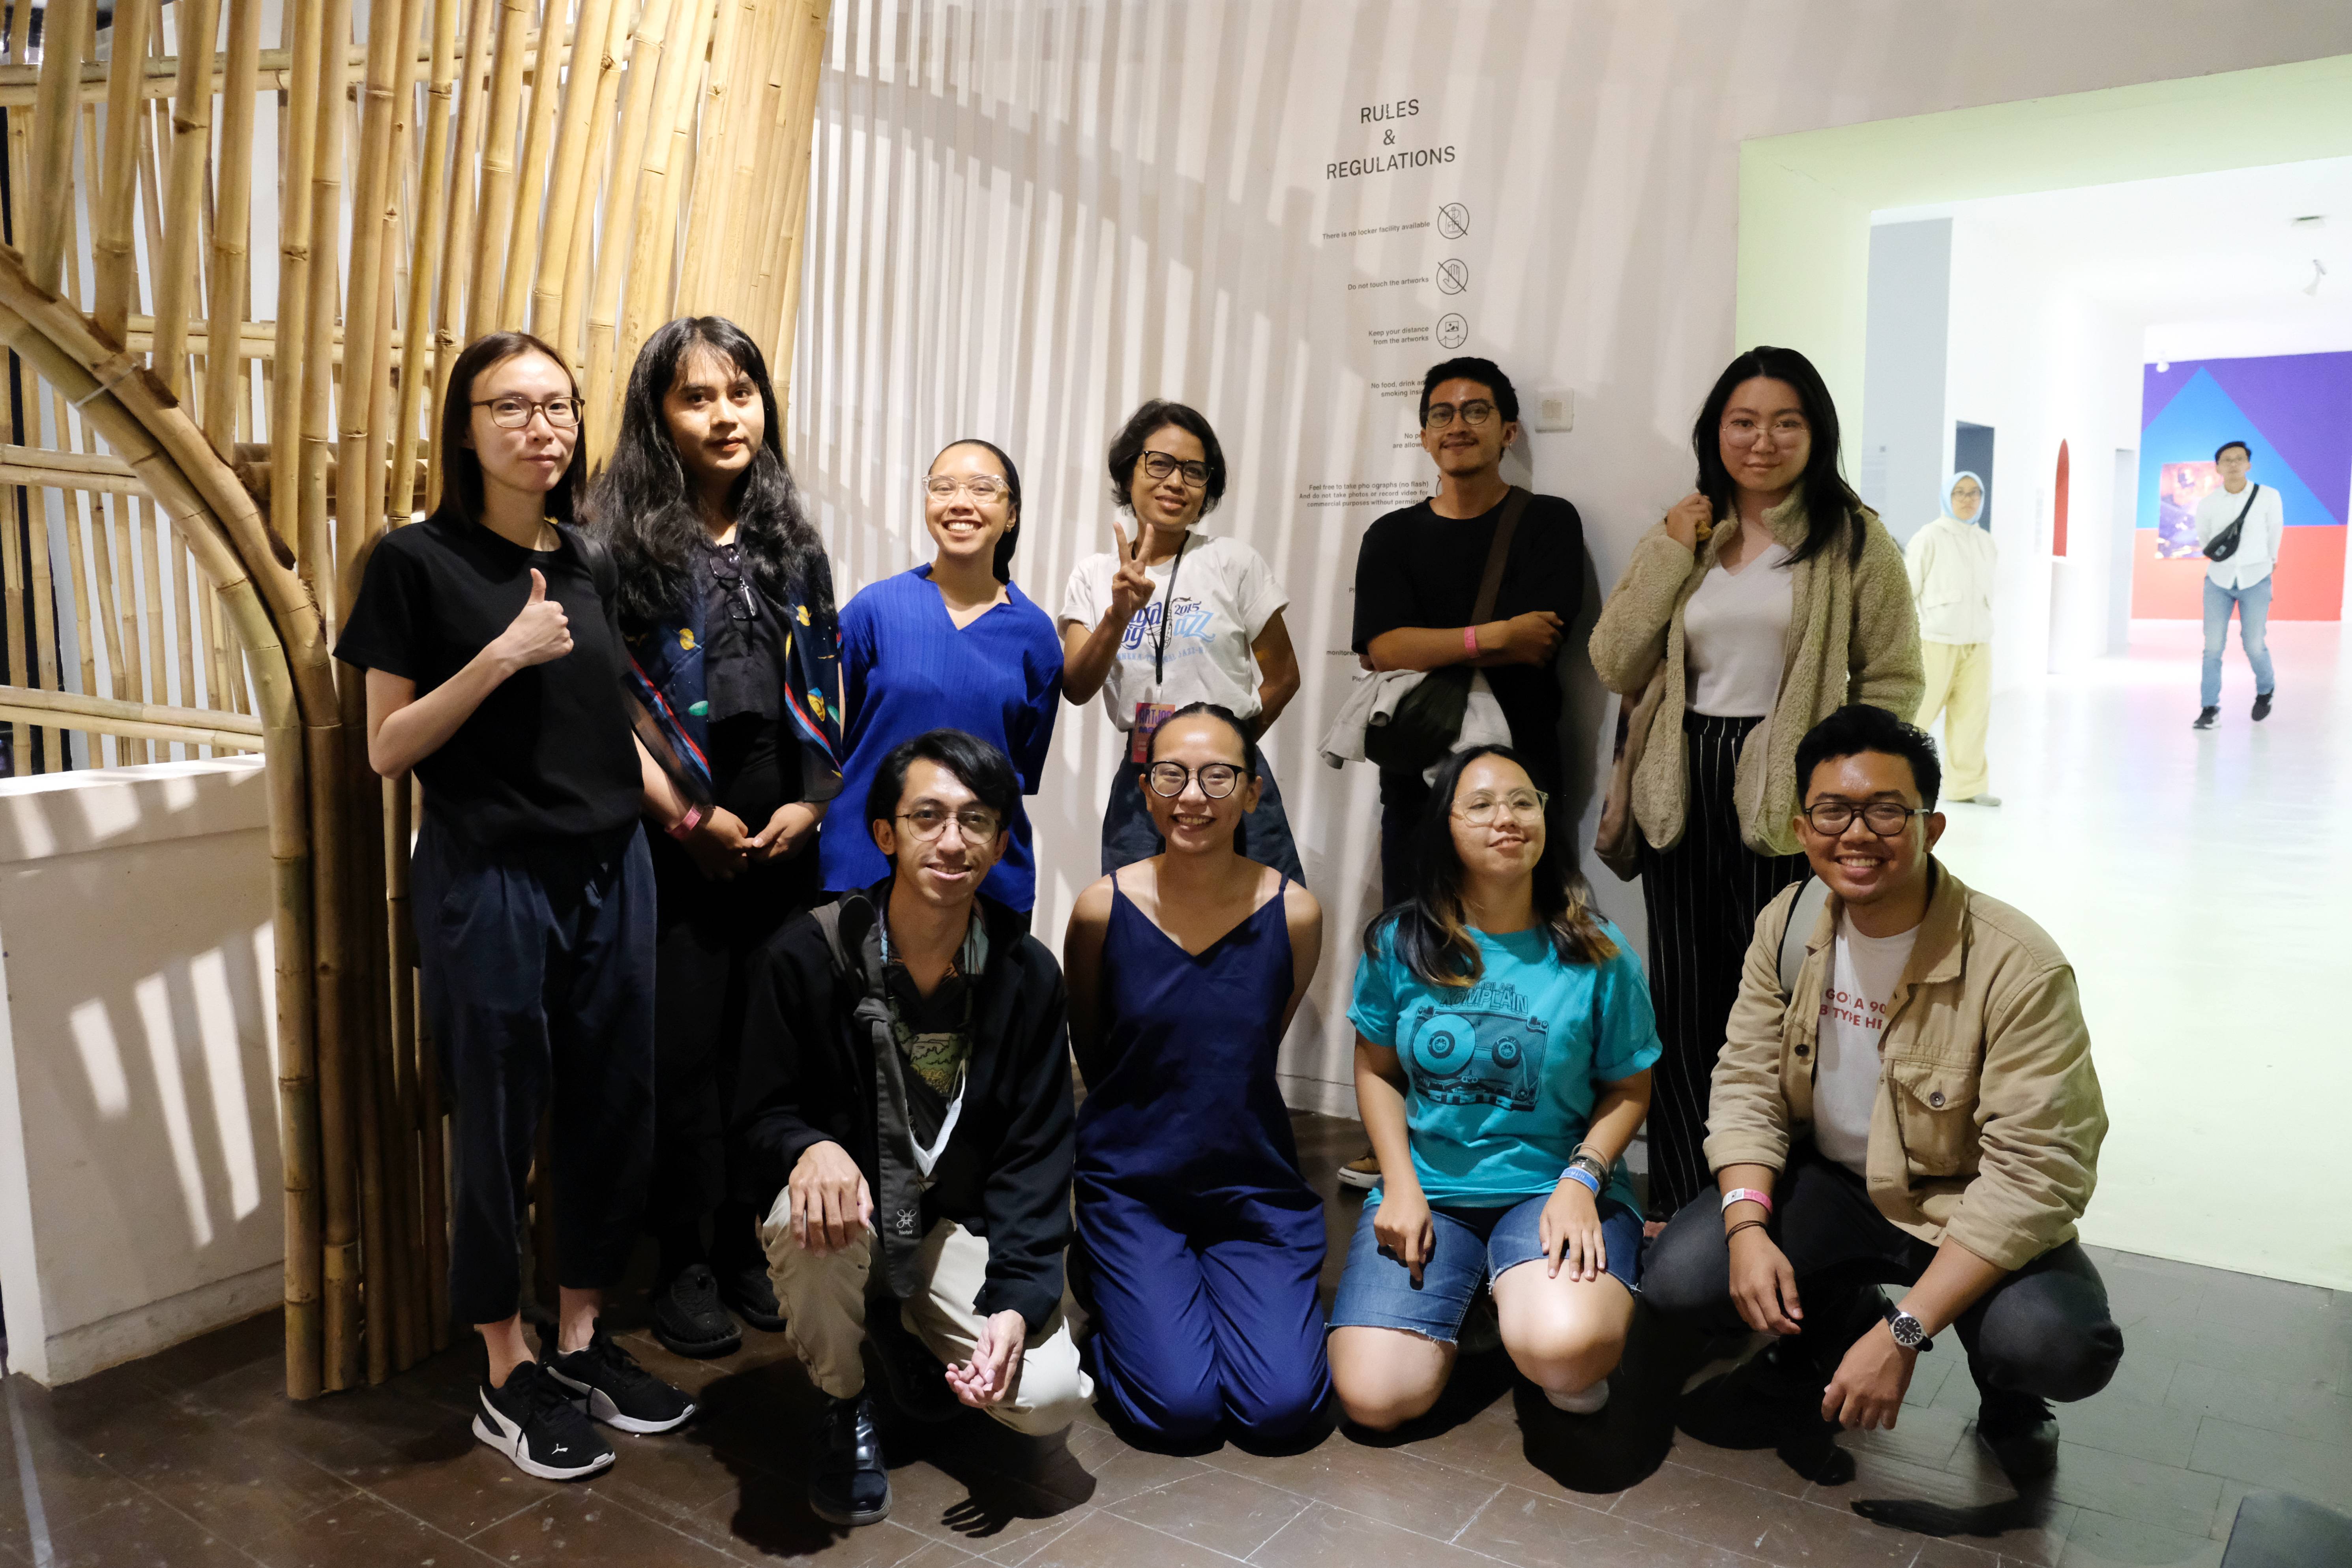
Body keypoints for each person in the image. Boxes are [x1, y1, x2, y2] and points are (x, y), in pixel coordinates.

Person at [338, 331, 693, 1482]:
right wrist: (501, 653)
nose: (542, 427)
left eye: (559, 406)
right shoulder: (413, 561)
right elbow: (388, 746)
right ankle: (505, 1364)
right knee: (495, 1113)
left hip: (612, 867)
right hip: (491, 874)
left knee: (612, 1103)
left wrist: (675, 804)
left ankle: (581, 1341)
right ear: (465, 424)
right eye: (512, 406)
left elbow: (601, 714)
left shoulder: (585, 554)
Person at [1644, 705, 2121, 1489]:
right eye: (1833, 810)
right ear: (1803, 828)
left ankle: (2009, 1396)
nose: (1857, 833)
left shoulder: (2017, 965)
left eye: (1886, 811)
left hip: (1965, 1203)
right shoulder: (1787, 924)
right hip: (1836, 1188)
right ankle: (1835, 1319)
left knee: (2052, 1345)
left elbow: (2038, 1172)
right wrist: (1747, 1227)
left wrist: (1906, 1332)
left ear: (1932, 827)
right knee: (1682, 1275)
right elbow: (1746, 1084)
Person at [1589, 345, 1922, 1223]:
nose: (1762, 441)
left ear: (1816, 433)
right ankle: (1678, 1199)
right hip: (1683, 777)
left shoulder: (1853, 540)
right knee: (1682, 994)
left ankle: (1772, 1202)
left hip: (1794, 793)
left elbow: (1893, 678)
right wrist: (1671, 552)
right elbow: (1612, 659)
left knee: (1780, 1002)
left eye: (1785, 422)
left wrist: (1842, 790)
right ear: (1716, 432)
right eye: (1743, 422)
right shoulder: (1684, 533)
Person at [737, 729, 1091, 1528]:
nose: (952, 840)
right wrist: (808, 1146)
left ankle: (902, 1324)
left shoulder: (1025, 973)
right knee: (808, 1212)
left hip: (946, 1223)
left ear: (1001, 840)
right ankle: (843, 1402)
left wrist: (1014, 1303)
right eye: (927, 816)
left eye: (975, 819)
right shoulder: (807, 955)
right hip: (848, 1218)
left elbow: (1037, 1159)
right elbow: (757, 1116)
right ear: (885, 834)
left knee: (1045, 1397)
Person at [593, 316, 843, 1359]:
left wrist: (814, 804)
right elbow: (606, 701)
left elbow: (825, 678)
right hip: (674, 829)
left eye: (741, 392)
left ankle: (748, 1240)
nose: (726, 414)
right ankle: (684, 1258)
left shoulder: (793, 540)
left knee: (767, 1039)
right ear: (657, 414)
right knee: (681, 1048)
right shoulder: (617, 544)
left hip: (781, 823)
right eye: (697, 396)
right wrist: (686, 820)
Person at [1327, 745, 1657, 1431]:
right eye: (1480, 805)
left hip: (1553, 1187)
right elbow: (1378, 1070)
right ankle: (1487, 1295)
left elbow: (1630, 1086)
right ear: (1444, 827)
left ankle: (1524, 1305)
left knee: (1567, 1356)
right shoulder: (1400, 943)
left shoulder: (1598, 950)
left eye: (1522, 801)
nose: (1506, 817)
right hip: (1431, 1191)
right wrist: (1400, 1184)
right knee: (1375, 1399)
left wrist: (1583, 1181)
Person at [1344, 357, 1585, 1191]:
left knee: (1524, 947)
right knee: (1417, 943)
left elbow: (1543, 636)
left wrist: (1443, 641)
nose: (1458, 425)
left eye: (1477, 410)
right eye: (1442, 413)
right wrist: (1491, 637)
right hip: (1418, 776)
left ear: (1508, 430)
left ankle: (1510, 1131)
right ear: (1422, 434)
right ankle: (1403, 1131)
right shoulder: (1391, 536)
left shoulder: (1547, 521)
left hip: (1523, 773)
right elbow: (1382, 647)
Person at [1062, 703, 1328, 1444]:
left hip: (1252, 1186)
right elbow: (1093, 1042)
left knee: (1282, 1411)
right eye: (1171, 775)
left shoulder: (1295, 913)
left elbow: (1255, 1043)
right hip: (1134, 1184)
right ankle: (1114, 1288)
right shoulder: (1102, 908)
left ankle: (1178, 1294)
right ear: (1146, 791)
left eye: (1218, 776)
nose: (1192, 796)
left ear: (1253, 792)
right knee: (1180, 1411)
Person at [1059, 401, 1305, 883]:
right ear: (1128, 471)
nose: (1175, 481)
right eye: (1160, 464)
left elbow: (1283, 677)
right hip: (1142, 775)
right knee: (1137, 910)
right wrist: (1117, 616)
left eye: (1193, 471)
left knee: (1261, 909)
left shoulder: (1233, 562)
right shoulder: (1093, 575)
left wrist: (1225, 749)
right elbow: (1076, 686)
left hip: (1228, 776)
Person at [821, 440, 1063, 920]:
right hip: (865, 864)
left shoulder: (1034, 634)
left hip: (983, 877)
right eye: (943, 487)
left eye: (982, 488)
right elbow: (826, 737)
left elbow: (1018, 765)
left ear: (1012, 514)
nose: (960, 502)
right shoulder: (875, 609)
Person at [1905, 472, 1998, 806]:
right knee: (1917, 716)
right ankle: (1900, 782)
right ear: (1948, 497)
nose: (1968, 499)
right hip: (1935, 641)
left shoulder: (1985, 541)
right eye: (1960, 492)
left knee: (1972, 718)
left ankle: (1967, 787)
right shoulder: (1930, 536)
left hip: (1977, 643)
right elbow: (1907, 590)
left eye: (1974, 493)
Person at [2192, 439, 2283, 729]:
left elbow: (2275, 531)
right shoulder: (2208, 504)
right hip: (2218, 580)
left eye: (2239, 459)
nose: (2233, 464)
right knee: (2212, 647)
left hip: (2256, 580)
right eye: (2227, 460)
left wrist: (2270, 560)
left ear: (2248, 465)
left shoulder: (2268, 497)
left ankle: (2266, 690)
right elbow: (2205, 540)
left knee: (2254, 644)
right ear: (2218, 468)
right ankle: (2209, 708)